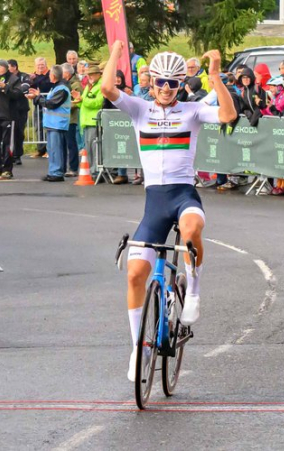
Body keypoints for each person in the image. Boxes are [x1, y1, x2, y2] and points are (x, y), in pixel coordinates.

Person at [101, 41, 236, 381]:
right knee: (134, 274)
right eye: (159, 82)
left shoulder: (191, 111)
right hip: (154, 203)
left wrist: (216, 78)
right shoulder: (139, 110)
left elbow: (228, 115)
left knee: (190, 232)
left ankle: (192, 292)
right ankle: (138, 348)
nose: (164, 88)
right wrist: (117, 51)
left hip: (184, 195)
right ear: (150, 83)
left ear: (180, 85)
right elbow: (106, 87)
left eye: (172, 83)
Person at [27, 65, 71, 182]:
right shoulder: (56, 87)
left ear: (54, 75)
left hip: (58, 124)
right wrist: (38, 96)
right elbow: (48, 102)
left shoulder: (62, 88)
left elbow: (51, 104)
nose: (49, 76)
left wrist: (37, 98)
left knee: (56, 149)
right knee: (52, 149)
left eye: (50, 74)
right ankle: (54, 171)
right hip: (53, 123)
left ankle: (56, 172)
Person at [77, 65, 104, 178]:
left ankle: (96, 171)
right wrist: (78, 100)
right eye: (89, 75)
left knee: (94, 147)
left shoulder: (101, 86)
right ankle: (91, 170)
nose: (90, 77)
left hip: (95, 122)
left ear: (98, 75)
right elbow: (83, 103)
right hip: (87, 121)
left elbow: (98, 102)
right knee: (88, 148)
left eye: (92, 74)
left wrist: (83, 100)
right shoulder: (89, 86)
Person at [62, 63, 84, 178]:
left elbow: (78, 101)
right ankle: (63, 167)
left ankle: (73, 168)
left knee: (71, 144)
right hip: (62, 118)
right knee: (63, 144)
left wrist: (64, 106)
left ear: (67, 73)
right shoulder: (64, 84)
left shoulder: (75, 85)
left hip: (71, 118)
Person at [29, 57, 54, 158]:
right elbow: (31, 88)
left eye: (42, 65)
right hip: (38, 104)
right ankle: (40, 149)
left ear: (46, 65)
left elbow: (47, 85)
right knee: (38, 127)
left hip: (48, 104)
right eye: (38, 65)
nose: (40, 67)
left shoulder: (50, 75)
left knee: (48, 127)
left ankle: (49, 149)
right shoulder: (33, 76)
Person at [8, 59, 31, 166]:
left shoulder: (23, 76)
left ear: (15, 67)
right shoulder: (7, 77)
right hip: (10, 109)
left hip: (21, 109)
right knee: (9, 133)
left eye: (9, 67)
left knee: (19, 132)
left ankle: (17, 155)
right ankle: (9, 154)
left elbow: (25, 86)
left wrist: (15, 91)